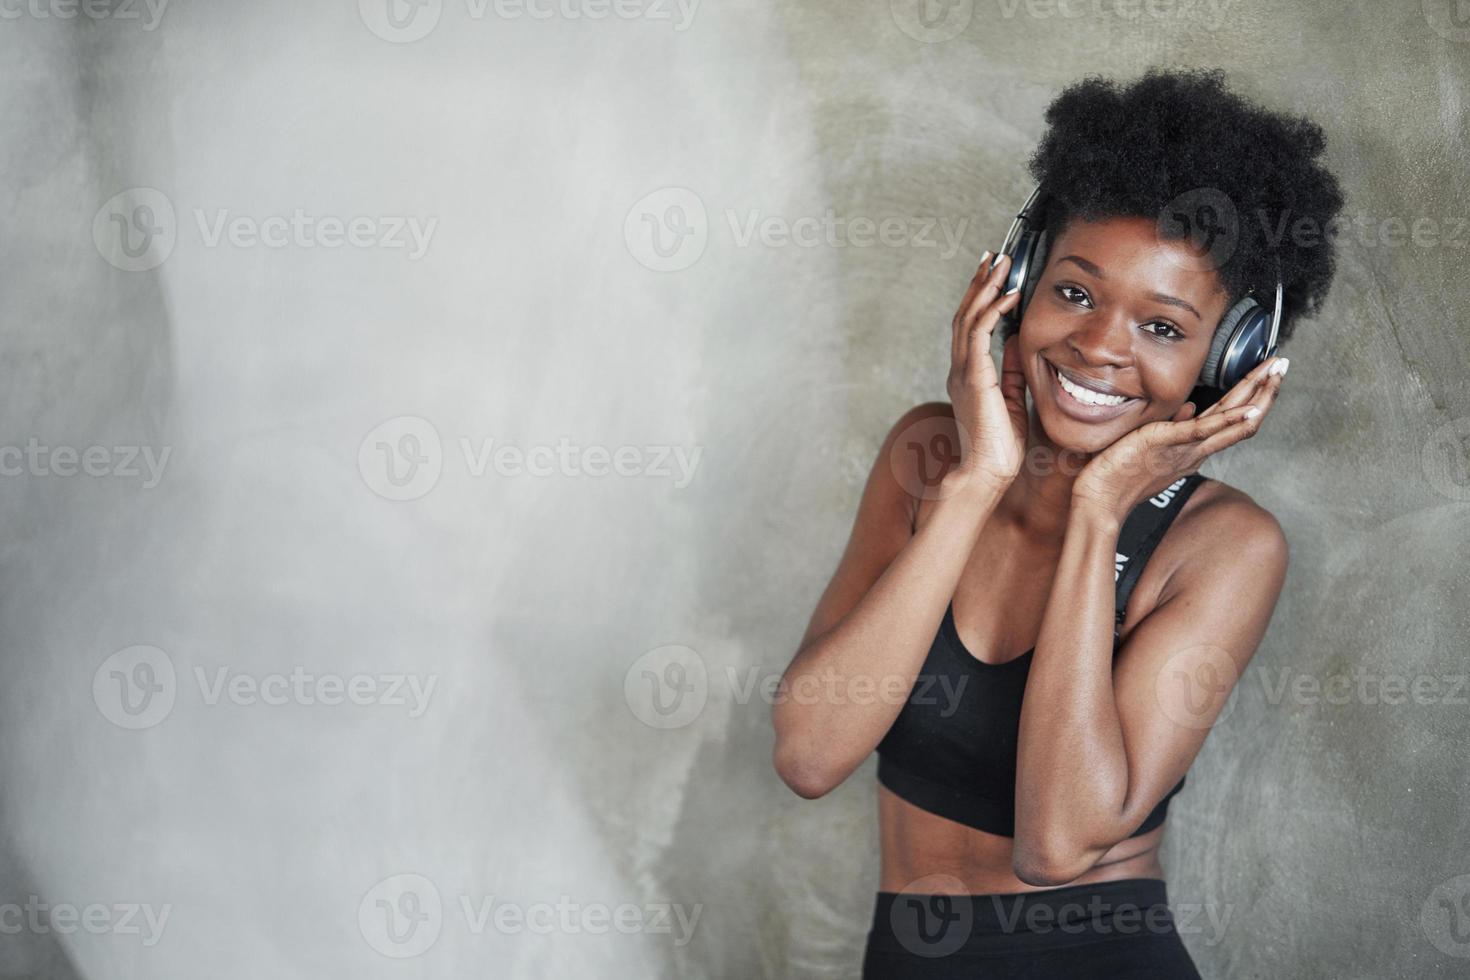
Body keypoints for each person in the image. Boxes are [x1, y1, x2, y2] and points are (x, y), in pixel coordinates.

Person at [770, 68, 1344, 978]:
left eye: (1162, 328)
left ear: (1224, 359)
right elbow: (809, 753)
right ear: (1021, 284)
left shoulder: (1226, 548)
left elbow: (1058, 844)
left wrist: (1098, 514)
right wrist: (977, 481)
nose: (1101, 346)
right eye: (1075, 293)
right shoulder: (928, 456)